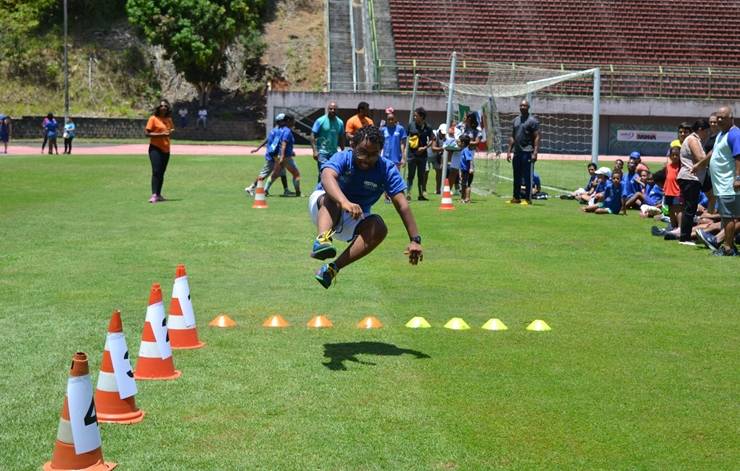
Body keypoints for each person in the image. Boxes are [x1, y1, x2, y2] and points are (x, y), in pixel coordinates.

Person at [308, 125, 423, 289]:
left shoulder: (386, 168)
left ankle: (331, 269)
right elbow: (327, 177)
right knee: (332, 197)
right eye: (362, 152)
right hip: (323, 208)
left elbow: (402, 204)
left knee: (379, 226)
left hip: (353, 218)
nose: (367, 159)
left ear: (380, 151)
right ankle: (322, 240)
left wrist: (415, 240)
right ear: (353, 146)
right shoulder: (343, 157)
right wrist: (344, 202)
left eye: (373, 154)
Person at [706, 105, 740, 256]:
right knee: (726, 217)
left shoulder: (734, 134)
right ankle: (729, 246)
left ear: (731, 119)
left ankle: (728, 248)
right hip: (722, 184)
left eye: (723, 118)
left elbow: (739, 157)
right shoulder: (722, 134)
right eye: (718, 117)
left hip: (729, 184)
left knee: (729, 217)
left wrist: (738, 178)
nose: (719, 120)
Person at [676, 119, 710, 244]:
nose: (708, 134)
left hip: (691, 178)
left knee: (690, 207)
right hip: (690, 178)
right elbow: (700, 158)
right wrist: (712, 154)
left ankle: (685, 236)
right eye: (707, 131)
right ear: (700, 130)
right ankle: (685, 238)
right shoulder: (693, 139)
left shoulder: (694, 139)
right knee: (690, 208)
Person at [245, 113, 291, 196]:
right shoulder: (282, 130)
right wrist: (282, 156)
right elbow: (283, 144)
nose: (287, 122)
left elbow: (267, 140)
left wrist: (257, 148)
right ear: (281, 121)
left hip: (274, 155)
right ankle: (251, 187)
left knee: (283, 172)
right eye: (285, 120)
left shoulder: (274, 130)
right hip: (274, 156)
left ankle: (286, 190)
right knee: (264, 174)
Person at [506, 99, 540, 205]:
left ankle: (527, 199)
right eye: (521, 105)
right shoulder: (516, 120)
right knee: (516, 176)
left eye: (524, 106)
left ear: (528, 107)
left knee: (527, 176)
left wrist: (535, 152)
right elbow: (512, 136)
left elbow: (537, 137)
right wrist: (509, 151)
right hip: (517, 152)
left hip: (528, 152)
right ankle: (516, 198)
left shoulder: (532, 121)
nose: (522, 107)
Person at [145, 99, 175, 203]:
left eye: (166, 106)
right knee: (156, 171)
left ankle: (159, 194)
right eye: (162, 106)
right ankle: (153, 195)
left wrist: (171, 132)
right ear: (158, 107)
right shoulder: (153, 119)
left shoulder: (169, 120)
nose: (164, 108)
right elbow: (147, 133)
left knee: (162, 172)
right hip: (155, 148)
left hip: (166, 149)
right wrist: (162, 135)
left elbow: (170, 130)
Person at [265, 114, 301, 197]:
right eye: (293, 120)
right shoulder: (287, 131)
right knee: (296, 174)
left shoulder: (280, 129)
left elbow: (279, 143)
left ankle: (265, 190)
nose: (294, 122)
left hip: (278, 156)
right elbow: (284, 144)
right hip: (285, 157)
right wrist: (282, 156)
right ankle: (298, 193)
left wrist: (289, 152)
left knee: (275, 174)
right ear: (288, 121)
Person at [311, 101, 345, 181]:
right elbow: (312, 135)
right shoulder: (320, 120)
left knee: (333, 173)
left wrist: (343, 150)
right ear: (327, 109)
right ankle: (319, 191)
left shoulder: (340, 122)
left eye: (334, 109)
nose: (332, 110)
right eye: (330, 109)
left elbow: (341, 136)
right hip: (322, 153)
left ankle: (323, 191)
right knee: (324, 173)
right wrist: (315, 151)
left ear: (337, 110)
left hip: (334, 153)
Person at [406, 107, 434, 200]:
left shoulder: (428, 127)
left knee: (421, 176)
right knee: (410, 175)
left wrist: (425, 148)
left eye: (416, 115)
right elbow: (405, 138)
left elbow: (432, 139)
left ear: (421, 116)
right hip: (412, 156)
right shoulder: (411, 125)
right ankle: (408, 194)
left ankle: (421, 195)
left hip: (423, 156)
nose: (414, 117)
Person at [459, 135, 475, 203]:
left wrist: (471, 168)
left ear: (463, 143)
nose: (458, 143)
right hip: (464, 170)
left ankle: (467, 199)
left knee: (467, 184)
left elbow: (470, 160)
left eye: (459, 142)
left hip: (467, 171)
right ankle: (462, 198)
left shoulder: (466, 150)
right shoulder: (463, 150)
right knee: (463, 184)